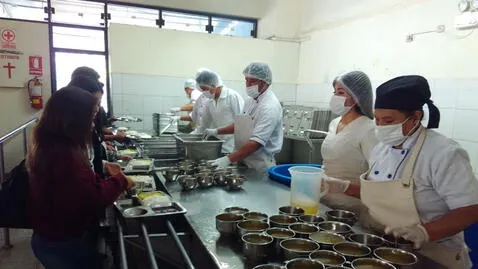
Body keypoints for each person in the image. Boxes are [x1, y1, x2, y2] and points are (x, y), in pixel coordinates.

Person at [325, 75, 478, 268]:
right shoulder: (382, 148)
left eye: (388, 120)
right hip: (386, 246)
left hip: (434, 255)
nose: (380, 127)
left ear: (415, 116)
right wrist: (342, 187)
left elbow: (471, 210)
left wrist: (425, 232)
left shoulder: (444, 153)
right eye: (378, 119)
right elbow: (381, 193)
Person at [27, 86, 135, 269]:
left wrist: (103, 175)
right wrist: (121, 181)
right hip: (63, 242)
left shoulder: (52, 143)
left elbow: (77, 185)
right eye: (91, 117)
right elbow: (92, 197)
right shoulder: (62, 154)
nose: (93, 124)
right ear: (74, 119)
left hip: (52, 237)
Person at [207, 62, 283, 172]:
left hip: (260, 165)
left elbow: (256, 143)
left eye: (252, 81)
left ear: (264, 82)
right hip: (244, 159)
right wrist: (216, 131)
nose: (248, 84)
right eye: (246, 80)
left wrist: (227, 159)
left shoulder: (270, 106)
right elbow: (240, 125)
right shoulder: (251, 100)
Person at [320, 71, 378, 214]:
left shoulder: (369, 129)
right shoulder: (334, 123)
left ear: (357, 97)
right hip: (324, 202)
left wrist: (343, 186)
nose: (335, 97)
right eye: (334, 92)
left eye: (340, 93)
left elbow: (379, 186)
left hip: (351, 210)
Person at [194, 69, 244, 153]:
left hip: (234, 146)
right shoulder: (209, 101)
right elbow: (204, 125)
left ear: (213, 86)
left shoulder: (232, 97)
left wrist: (216, 131)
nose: (203, 92)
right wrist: (193, 138)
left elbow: (242, 124)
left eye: (205, 89)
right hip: (219, 146)